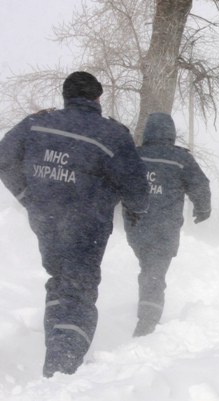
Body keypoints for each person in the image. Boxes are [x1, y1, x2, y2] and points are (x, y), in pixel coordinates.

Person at [0, 71, 149, 377]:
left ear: (66, 97)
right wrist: (136, 209)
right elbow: (136, 185)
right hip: (87, 225)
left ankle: (58, 351)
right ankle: (61, 368)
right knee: (78, 289)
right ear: (96, 98)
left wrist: (27, 194)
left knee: (59, 280)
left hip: (45, 220)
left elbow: (4, 158)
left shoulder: (36, 123)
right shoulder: (112, 134)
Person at [123, 112, 211, 337]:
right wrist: (203, 209)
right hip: (165, 228)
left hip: (136, 226)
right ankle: (147, 323)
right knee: (155, 272)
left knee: (148, 268)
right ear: (171, 133)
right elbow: (200, 184)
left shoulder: (134, 155)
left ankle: (146, 313)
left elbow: (118, 181)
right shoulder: (180, 159)